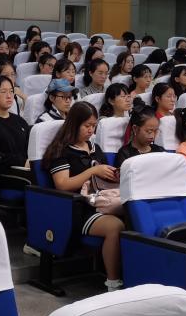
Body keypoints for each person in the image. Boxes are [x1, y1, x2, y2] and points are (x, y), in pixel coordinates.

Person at [41, 102, 124, 291]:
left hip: (101, 200)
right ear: (74, 124)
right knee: (115, 227)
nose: (91, 130)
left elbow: (103, 178)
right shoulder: (61, 151)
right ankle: (113, 282)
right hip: (76, 207)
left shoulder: (94, 148)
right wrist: (93, 171)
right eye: (87, 125)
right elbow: (62, 184)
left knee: (134, 214)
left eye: (93, 126)